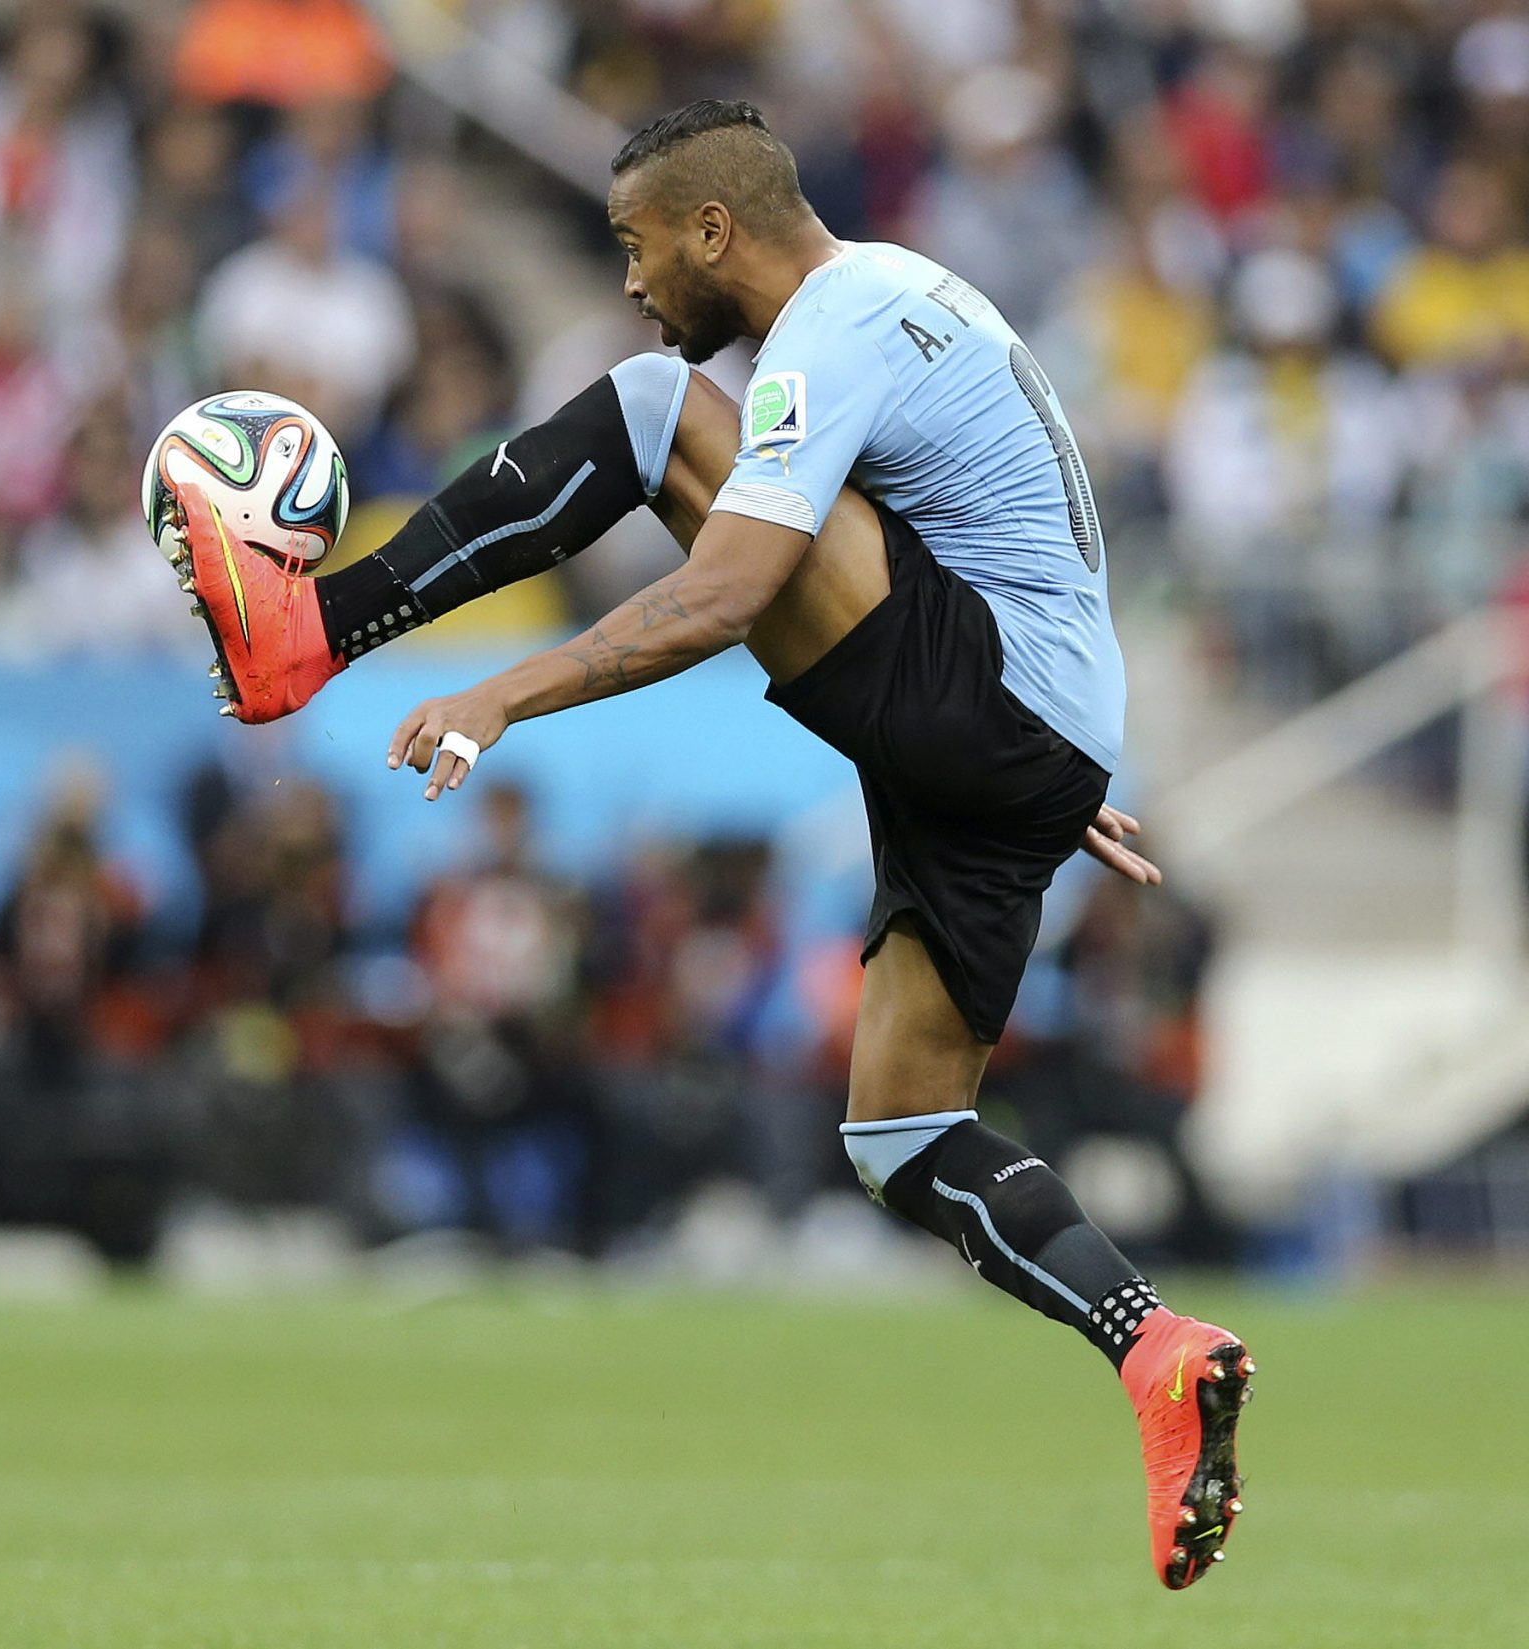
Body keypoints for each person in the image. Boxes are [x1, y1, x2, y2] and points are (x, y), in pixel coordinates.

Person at [154, 100, 1254, 1590]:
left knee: (652, 411)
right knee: (902, 1134)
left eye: (636, 242)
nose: (629, 279)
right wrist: (1045, 772)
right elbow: (996, 539)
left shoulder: (836, 322)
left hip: (991, 707)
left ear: (714, 230)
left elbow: (732, 590)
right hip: (1025, 736)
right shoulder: (906, 297)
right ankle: (1154, 1350)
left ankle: (312, 634)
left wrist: (499, 686)